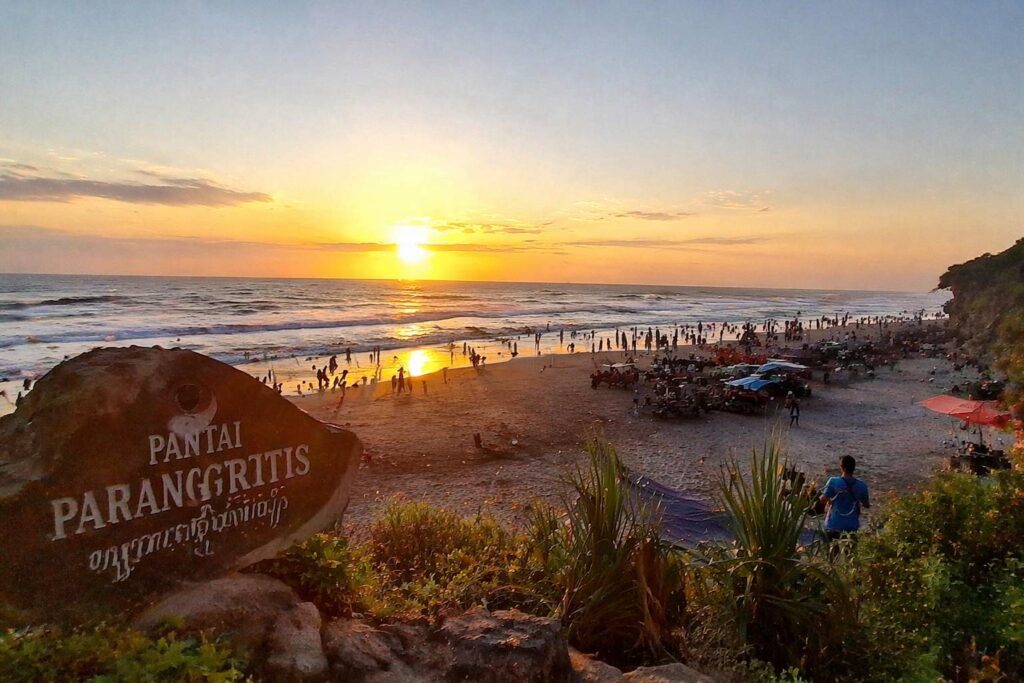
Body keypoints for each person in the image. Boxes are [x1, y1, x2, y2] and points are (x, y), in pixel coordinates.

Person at [819, 455, 870, 542]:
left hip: (833, 525)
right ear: (854, 468)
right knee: (849, 553)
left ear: (842, 467)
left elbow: (823, 499)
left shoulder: (834, 481)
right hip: (852, 527)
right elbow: (866, 505)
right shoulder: (862, 485)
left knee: (830, 554)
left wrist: (829, 500)